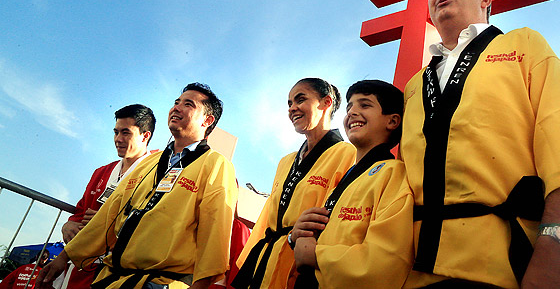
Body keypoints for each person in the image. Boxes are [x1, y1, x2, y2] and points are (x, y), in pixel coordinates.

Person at [400, 0, 560, 288]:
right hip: (413, 265)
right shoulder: (415, 85)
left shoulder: (523, 46)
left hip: (502, 260)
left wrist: (554, 248)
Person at [36, 83, 238, 289]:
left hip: (161, 282)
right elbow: (108, 214)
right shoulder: (150, 162)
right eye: (176, 102)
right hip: (111, 279)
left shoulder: (216, 164)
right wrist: (64, 257)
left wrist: (200, 285)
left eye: (188, 104)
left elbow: (215, 230)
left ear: (208, 120)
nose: (176, 107)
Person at [232, 78, 356, 289]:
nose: (292, 108)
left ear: (326, 102)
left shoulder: (347, 153)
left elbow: (340, 219)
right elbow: (266, 220)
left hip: (304, 264)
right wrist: (250, 262)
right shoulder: (286, 161)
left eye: (300, 99)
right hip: (268, 258)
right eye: (289, 103)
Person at [292, 79, 414, 288]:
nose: (352, 113)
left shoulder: (393, 174)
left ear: (393, 121)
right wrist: (297, 234)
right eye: (349, 107)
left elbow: (384, 262)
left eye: (365, 105)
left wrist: (315, 254)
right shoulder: (348, 177)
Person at [60, 104, 156, 288]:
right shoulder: (102, 172)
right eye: (116, 132)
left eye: (126, 133)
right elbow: (81, 212)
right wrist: (69, 224)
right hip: (83, 265)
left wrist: (108, 222)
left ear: (145, 136)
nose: (118, 139)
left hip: (121, 269)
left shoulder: (156, 172)